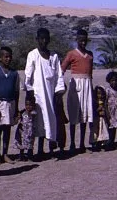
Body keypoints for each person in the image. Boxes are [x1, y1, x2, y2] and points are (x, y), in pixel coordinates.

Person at [24, 28, 66, 158]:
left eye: (46, 38)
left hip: (50, 95)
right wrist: (29, 91)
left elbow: (59, 75)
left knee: (47, 122)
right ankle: (30, 151)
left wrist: (59, 93)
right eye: (41, 38)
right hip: (37, 95)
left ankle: (42, 150)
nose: (44, 41)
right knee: (35, 122)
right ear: (37, 39)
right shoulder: (33, 55)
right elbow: (28, 75)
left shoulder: (54, 56)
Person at [61, 29, 94, 153]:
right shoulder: (71, 54)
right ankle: (73, 144)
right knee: (75, 115)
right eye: (81, 40)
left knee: (85, 115)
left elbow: (91, 72)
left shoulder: (90, 54)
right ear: (77, 40)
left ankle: (82, 143)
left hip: (87, 85)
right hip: (76, 86)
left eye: (85, 40)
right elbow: (62, 69)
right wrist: (60, 84)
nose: (83, 43)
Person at [0, 46, 20, 164]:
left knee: (7, 128)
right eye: (5, 57)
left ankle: (5, 153)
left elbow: (17, 91)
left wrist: (16, 108)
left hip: (10, 103)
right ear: (0, 58)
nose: (8, 59)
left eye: (10, 57)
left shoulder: (15, 73)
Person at [105, 71, 117, 148]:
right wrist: (107, 112)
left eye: (116, 80)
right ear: (109, 81)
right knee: (111, 127)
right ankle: (111, 141)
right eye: (112, 81)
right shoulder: (107, 90)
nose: (114, 82)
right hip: (111, 111)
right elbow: (106, 101)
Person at [14, 95, 36, 161]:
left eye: (30, 105)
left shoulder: (33, 112)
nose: (28, 107)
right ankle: (21, 156)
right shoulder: (22, 113)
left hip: (29, 132)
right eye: (26, 105)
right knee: (21, 143)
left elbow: (32, 114)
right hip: (22, 131)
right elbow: (17, 120)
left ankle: (30, 156)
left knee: (30, 144)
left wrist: (28, 111)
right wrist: (19, 116)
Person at [91, 86, 110, 151]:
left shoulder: (104, 101)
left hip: (102, 119)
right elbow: (94, 111)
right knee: (96, 131)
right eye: (98, 94)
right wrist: (98, 109)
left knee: (103, 131)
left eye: (101, 94)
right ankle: (95, 144)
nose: (100, 95)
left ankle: (103, 143)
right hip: (96, 119)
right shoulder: (94, 102)